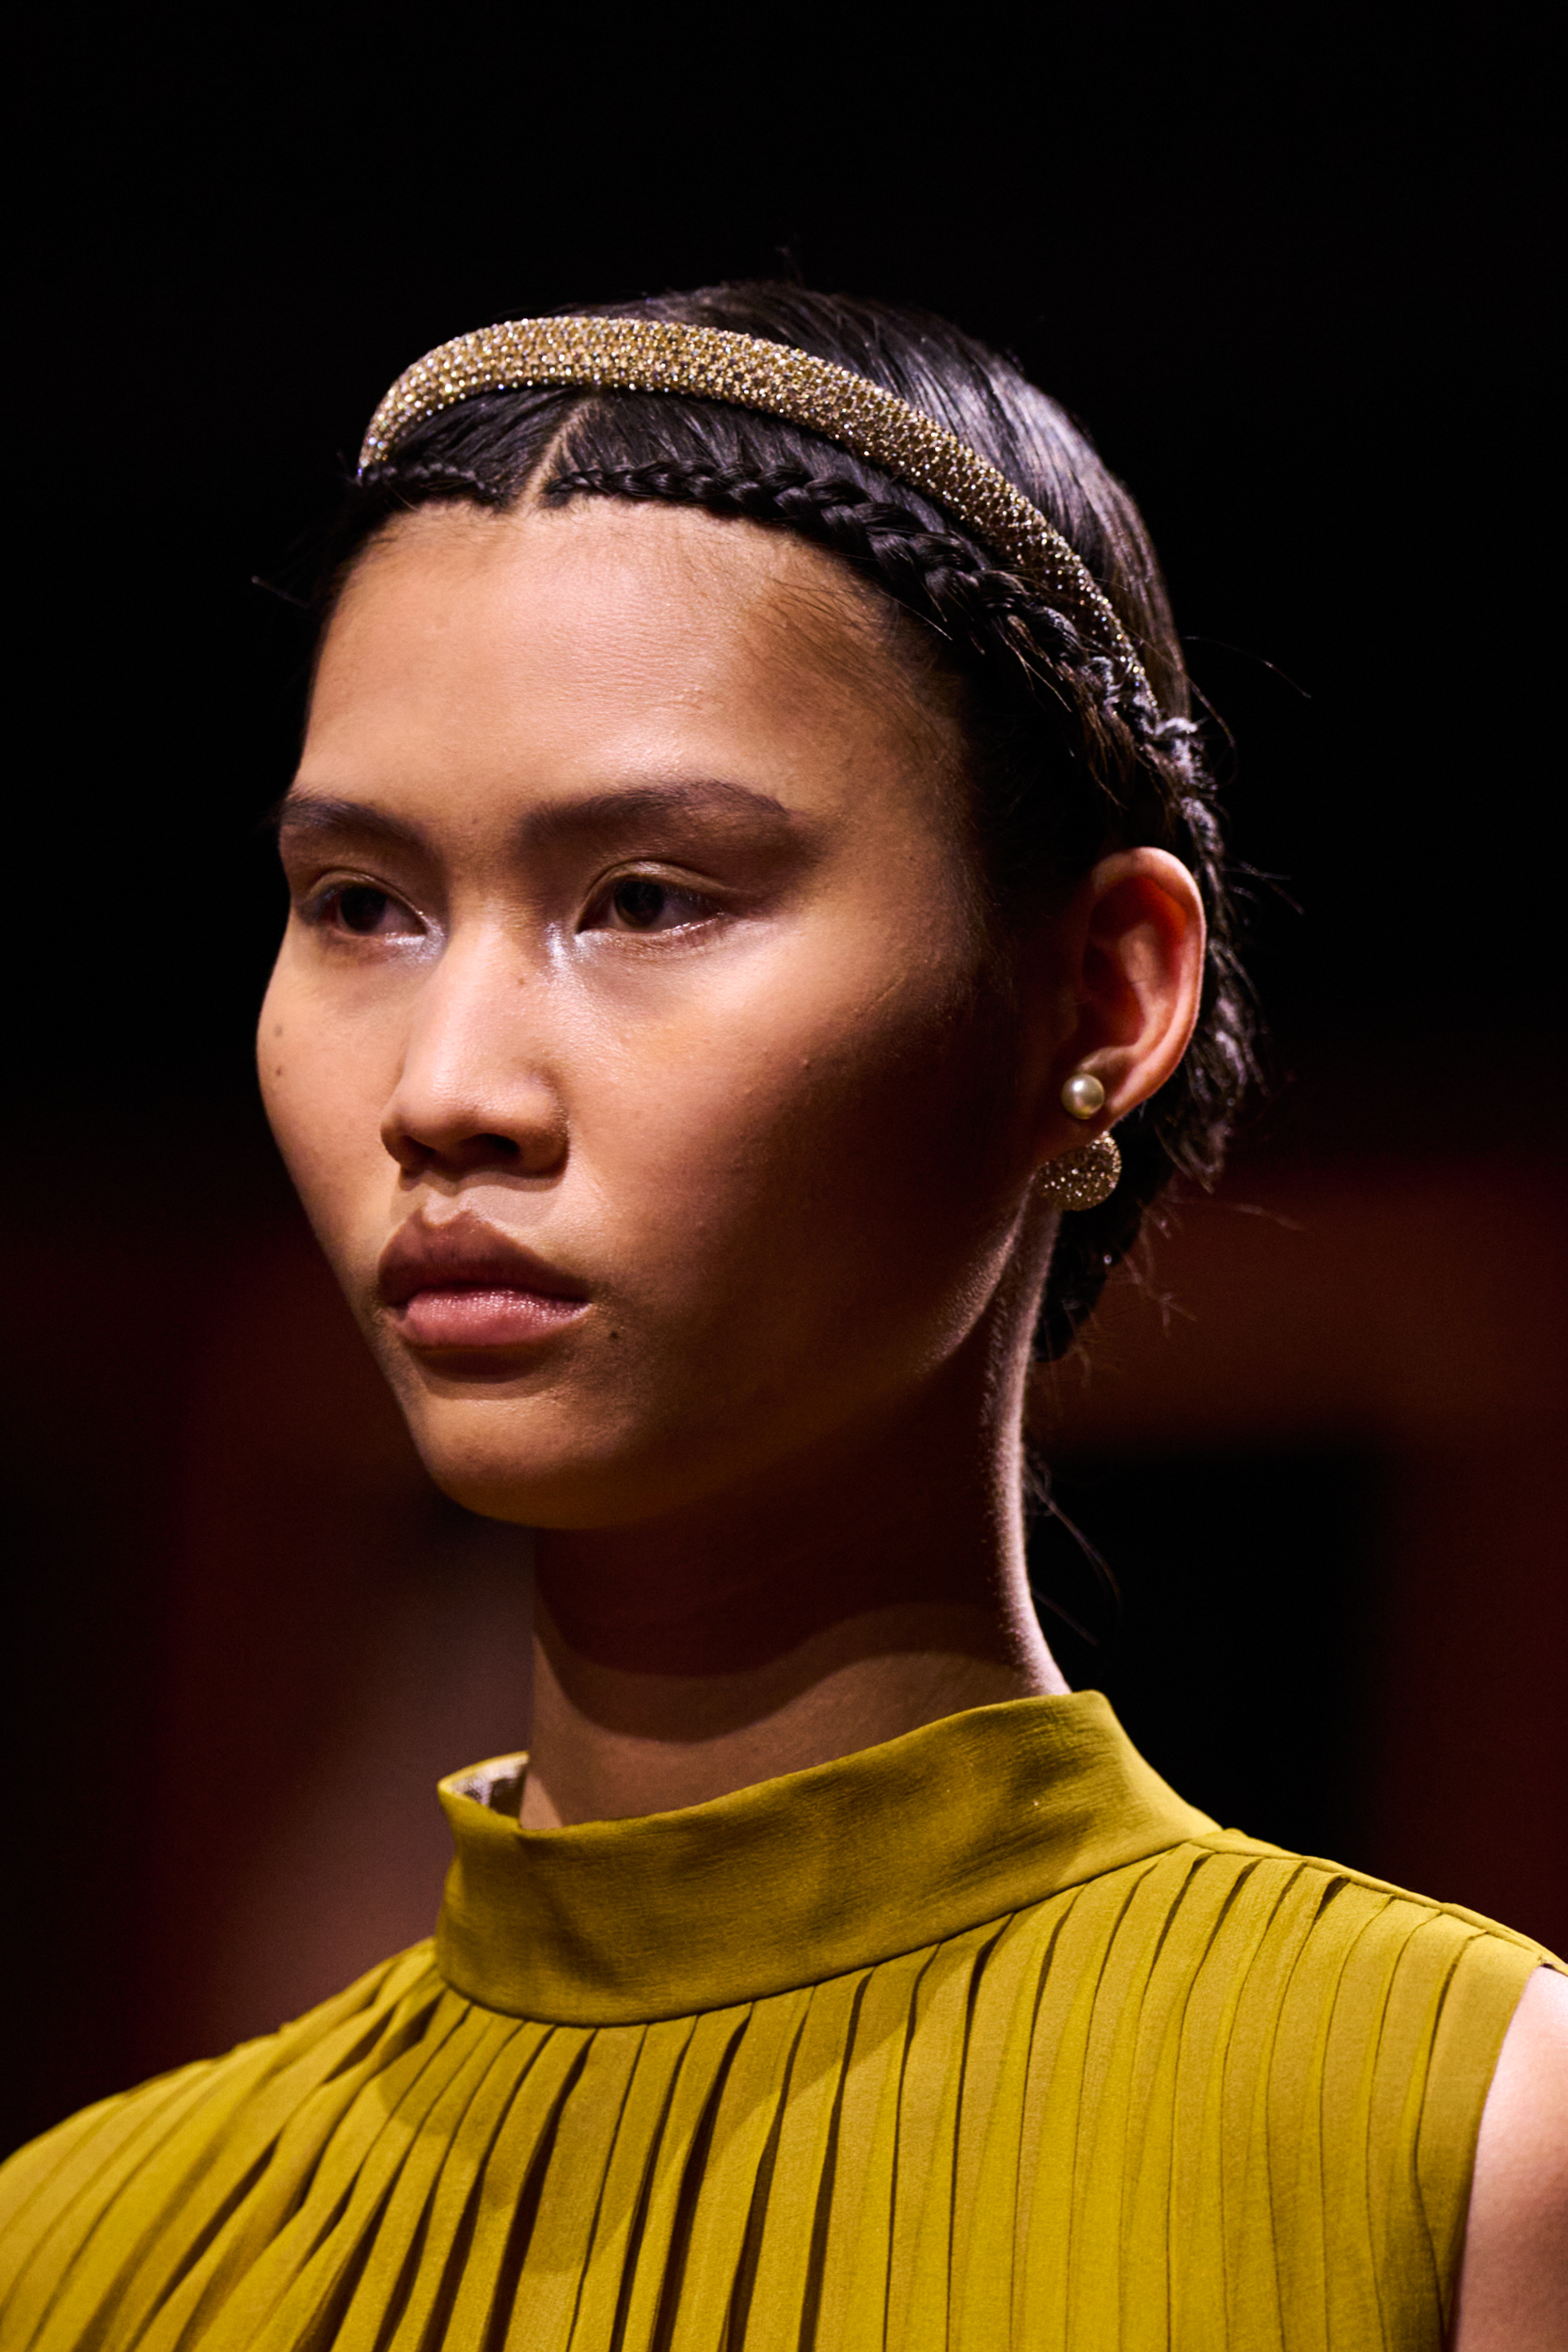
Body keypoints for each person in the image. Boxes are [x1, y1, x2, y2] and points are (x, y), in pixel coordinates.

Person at [1, 283, 1561, 2351]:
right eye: (363, 905)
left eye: (649, 899)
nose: (447, 1086)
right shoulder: (85, 2260)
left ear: (1105, 995)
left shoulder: (1463, 2152)